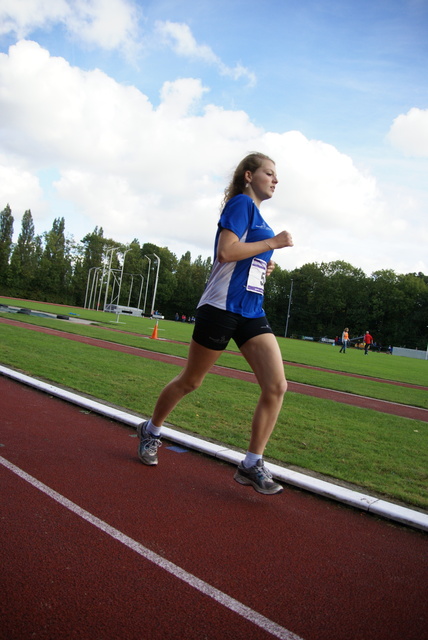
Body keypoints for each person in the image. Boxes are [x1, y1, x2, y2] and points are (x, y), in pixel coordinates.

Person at [137, 152, 293, 495]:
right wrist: (273, 243)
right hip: (221, 307)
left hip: (251, 309)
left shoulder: (257, 216)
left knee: (277, 386)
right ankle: (151, 429)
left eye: (276, 175)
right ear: (249, 176)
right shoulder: (241, 204)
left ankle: (251, 463)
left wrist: (264, 264)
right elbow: (226, 251)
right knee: (191, 381)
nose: (276, 179)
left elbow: (242, 256)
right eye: (270, 173)